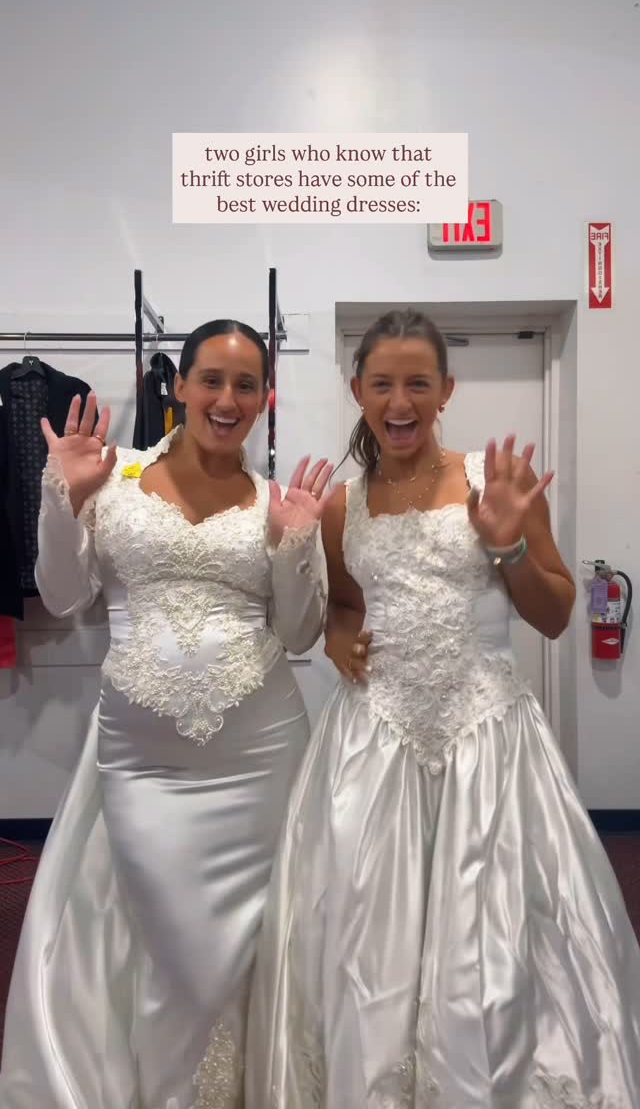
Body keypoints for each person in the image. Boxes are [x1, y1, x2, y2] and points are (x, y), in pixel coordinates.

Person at [244, 309, 640, 1107]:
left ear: (446, 390)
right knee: (368, 938)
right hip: (373, 741)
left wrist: (508, 545)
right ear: (358, 390)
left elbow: (555, 614)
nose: (401, 402)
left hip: (487, 741)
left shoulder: (497, 483)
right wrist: (338, 639)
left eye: (418, 383)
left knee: (488, 948)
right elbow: (345, 605)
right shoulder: (342, 507)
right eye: (383, 384)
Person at [0, 319, 331, 1109]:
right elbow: (64, 595)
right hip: (142, 762)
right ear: (178, 386)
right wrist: (63, 500)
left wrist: (295, 548)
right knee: (170, 932)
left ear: (266, 398)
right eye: (211, 379)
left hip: (261, 756)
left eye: (246, 384)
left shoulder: (276, 502)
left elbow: (298, 634)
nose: (227, 398)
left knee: (255, 933)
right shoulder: (114, 475)